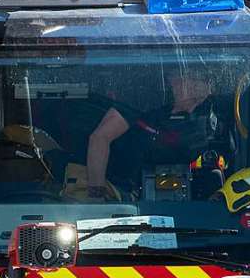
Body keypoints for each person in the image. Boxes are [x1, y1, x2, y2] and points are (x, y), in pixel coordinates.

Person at [85, 70, 218, 197]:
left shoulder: (207, 109)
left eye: (198, 102)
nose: (191, 110)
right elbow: (100, 138)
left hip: (185, 195)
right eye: (193, 100)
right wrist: (96, 195)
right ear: (177, 80)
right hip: (120, 186)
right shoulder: (143, 95)